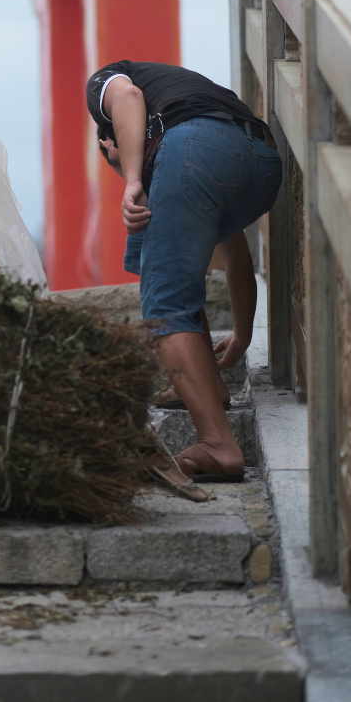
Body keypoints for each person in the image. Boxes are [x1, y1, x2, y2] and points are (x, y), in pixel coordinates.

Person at [86, 60, 282, 482]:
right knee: (168, 262)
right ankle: (207, 385)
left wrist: (132, 179)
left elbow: (126, 98)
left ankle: (218, 443)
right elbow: (238, 260)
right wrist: (243, 336)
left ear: (109, 143)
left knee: (164, 301)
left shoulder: (107, 85)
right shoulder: (184, 104)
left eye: (114, 162)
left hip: (193, 151)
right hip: (262, 164)